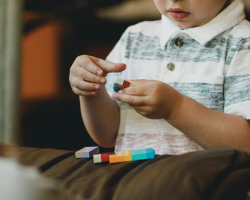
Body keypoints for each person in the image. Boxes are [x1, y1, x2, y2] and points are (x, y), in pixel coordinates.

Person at [69, 0, 250, 155]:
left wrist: (176, 108)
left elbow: (245, 145)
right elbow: (108, 136)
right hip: (134, 183)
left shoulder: (244, 43)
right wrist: (92, 89)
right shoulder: (135, 37)